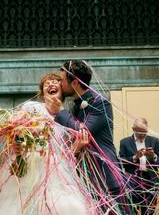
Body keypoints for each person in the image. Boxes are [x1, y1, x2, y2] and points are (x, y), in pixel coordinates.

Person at [0, 73, 96, 215]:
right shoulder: (31, 107)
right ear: (42, 91)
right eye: (46, 84)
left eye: (55, 82)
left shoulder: (68, 117)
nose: (51, 85)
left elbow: (66, 154)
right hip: (30, 164)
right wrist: (16, 148)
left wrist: (76, 147)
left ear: (63, 89)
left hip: (57, 170)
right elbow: (16, 133)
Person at [45, 60, 133, 214]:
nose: (60, 84)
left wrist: (60, 110)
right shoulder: (75, 105)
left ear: (74, 83)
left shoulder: (100, 102)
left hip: (106, 176)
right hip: (85, 179)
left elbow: (82, 131)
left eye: (62, 80)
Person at [119, 117, 159, 215]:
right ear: (133, 129)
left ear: (147, 129)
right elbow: (119, 162)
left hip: (150, 183)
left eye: (144, 132)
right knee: (132, 212)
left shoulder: (154, 141)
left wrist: (154, 156)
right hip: (132, 183)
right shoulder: (124, 142)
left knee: (149, 213)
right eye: (139, 132)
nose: (141, 135)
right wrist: (135, 157)